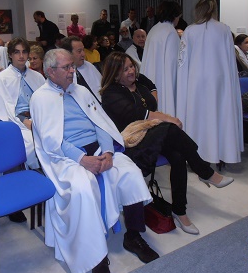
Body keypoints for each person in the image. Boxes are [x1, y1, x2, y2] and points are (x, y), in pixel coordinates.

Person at [30, 49, 158, 273]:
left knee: (129, 172)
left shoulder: (81, 90)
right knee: (83, 188)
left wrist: (108, 152)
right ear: (50, 72)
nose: (72, 71)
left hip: (98, 149)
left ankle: (133, 236)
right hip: (67, 158)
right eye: (67, 67)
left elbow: (102, 124)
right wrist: (82, 159)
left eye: (72, 66)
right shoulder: (40, 97)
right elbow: (51, 141)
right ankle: (98, 258)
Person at [100, 52, 234, 234]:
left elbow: (151, 101)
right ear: (115, 74)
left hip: (151, 135)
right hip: (131, 144)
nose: (131, 71)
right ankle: (204, 171)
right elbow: (139, 114)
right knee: (170, 128)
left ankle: (180, 210)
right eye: (125, 69)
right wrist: (167, 118)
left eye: (131, 66)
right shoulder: (110, 94)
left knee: (178, 156)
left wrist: (160, 111)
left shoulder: (138, 85)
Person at [176, 0, 243, 166]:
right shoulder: (224, 29)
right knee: (219, 115)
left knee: (198, 118)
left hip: (196, 84)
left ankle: (199, 156)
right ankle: (219, 152)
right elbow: (230, 61)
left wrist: (183, 87)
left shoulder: (190, 31)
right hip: (220, 83)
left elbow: (182, 63)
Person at [0, 38, 45, 170]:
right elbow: (6, 107)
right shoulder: (1, 78)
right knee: (32, 144)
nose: (21, 56)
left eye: (24, 52)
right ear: (10, 54)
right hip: (19, 121)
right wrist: (25, 121)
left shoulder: (37, 76)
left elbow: (46, 102)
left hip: (40, 118)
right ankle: (37, 173)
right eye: (17, 52)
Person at [140, 1, 181, 115]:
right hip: (164, 83)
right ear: (174, 15)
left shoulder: (154, 29)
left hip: (150, 81)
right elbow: (173, 65)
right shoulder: (171, 32)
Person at [61, 36, 103, 102]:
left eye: (83, 50)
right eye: (79, 51)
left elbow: (102, 87)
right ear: (68, 53)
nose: (83, 54)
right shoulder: (62, 73)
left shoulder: (89, 66)